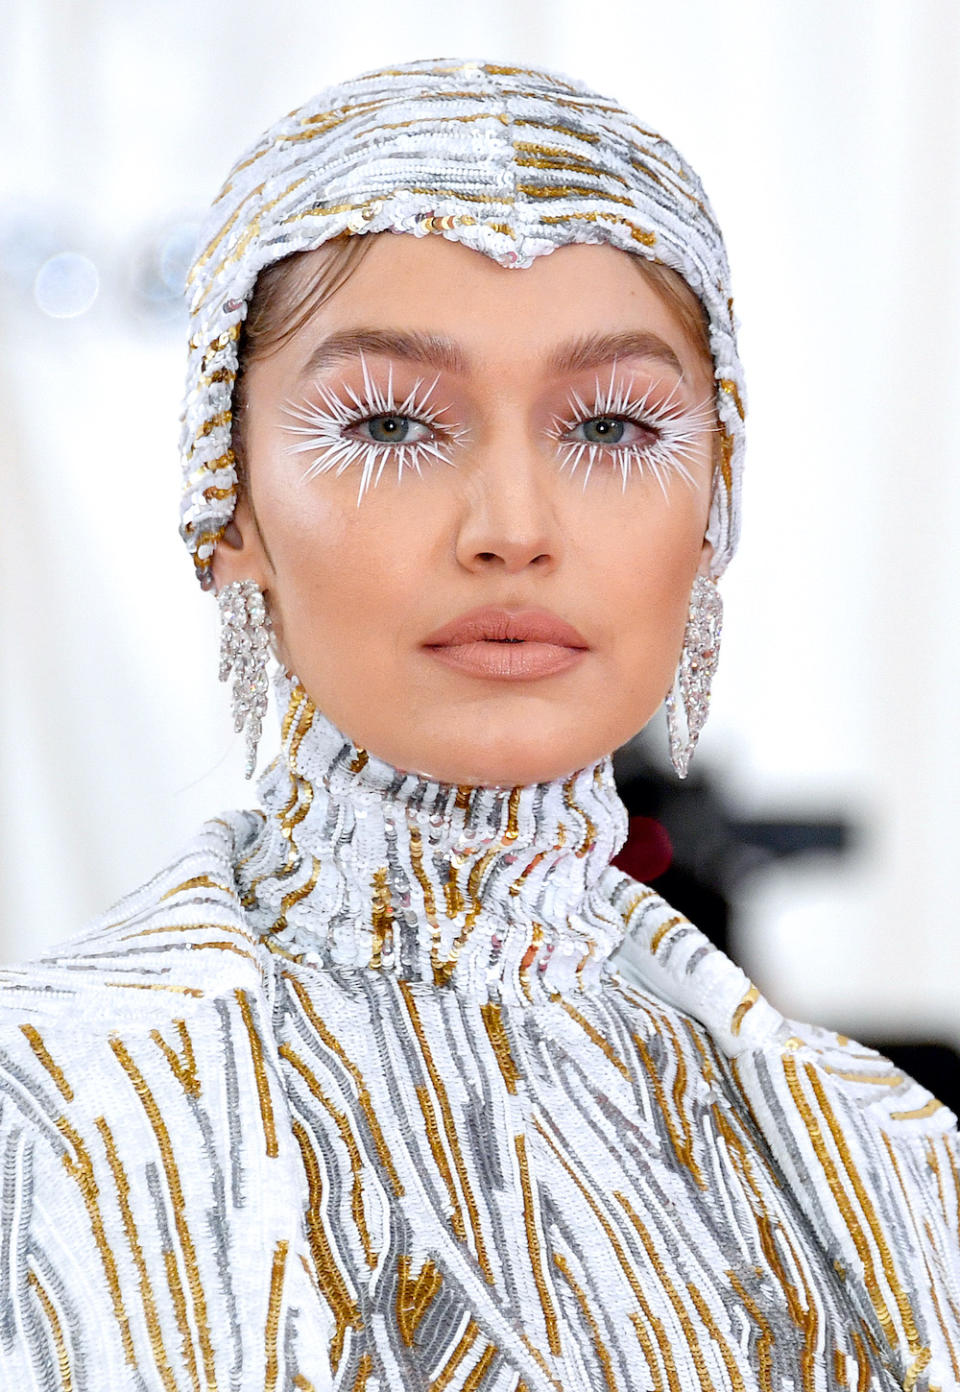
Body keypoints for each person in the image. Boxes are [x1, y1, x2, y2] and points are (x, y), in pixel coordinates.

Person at [0, 57, 956, 1392]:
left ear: (715, 507)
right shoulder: (54, 1116)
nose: (512, 527)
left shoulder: (885, 1166)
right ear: (226, 504)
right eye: (391, 421)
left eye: (614, 425)